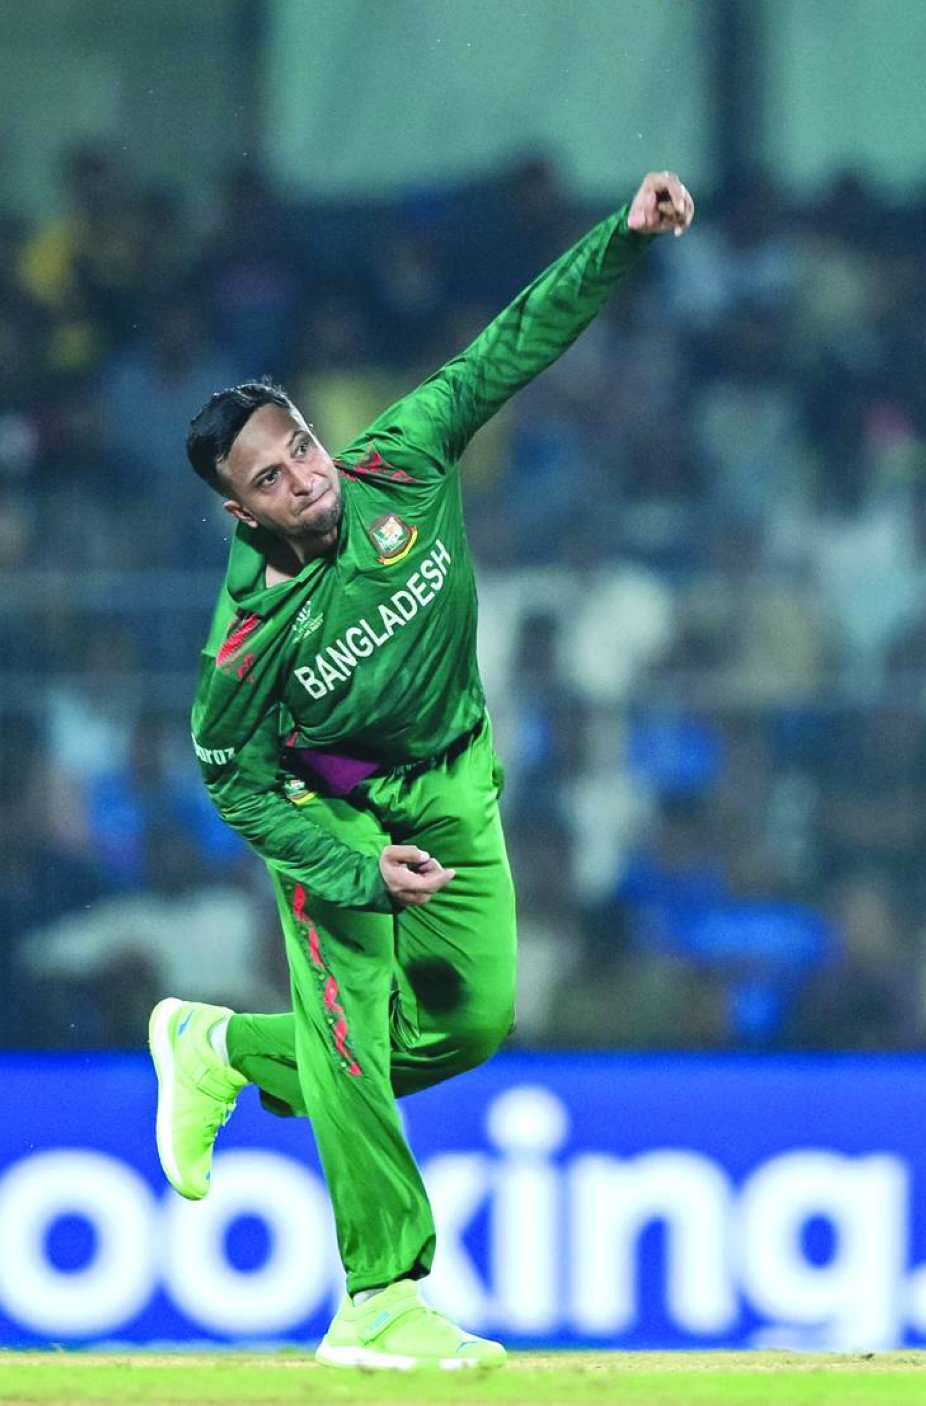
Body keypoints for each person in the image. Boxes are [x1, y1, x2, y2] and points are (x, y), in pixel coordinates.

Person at [148, 170, 695, 1371]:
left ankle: (221, 1050)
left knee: (472, 1019)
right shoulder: (246, 638)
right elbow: (234, 779)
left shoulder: (399, 460)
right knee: (353, 1031)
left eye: (300, 446)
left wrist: (624, 239)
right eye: (274, 479)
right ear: (242, 516)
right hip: (332, 808)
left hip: (454, 780)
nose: (308, 476)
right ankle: (379, 1299)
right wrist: (349, 863)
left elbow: (510, 347)